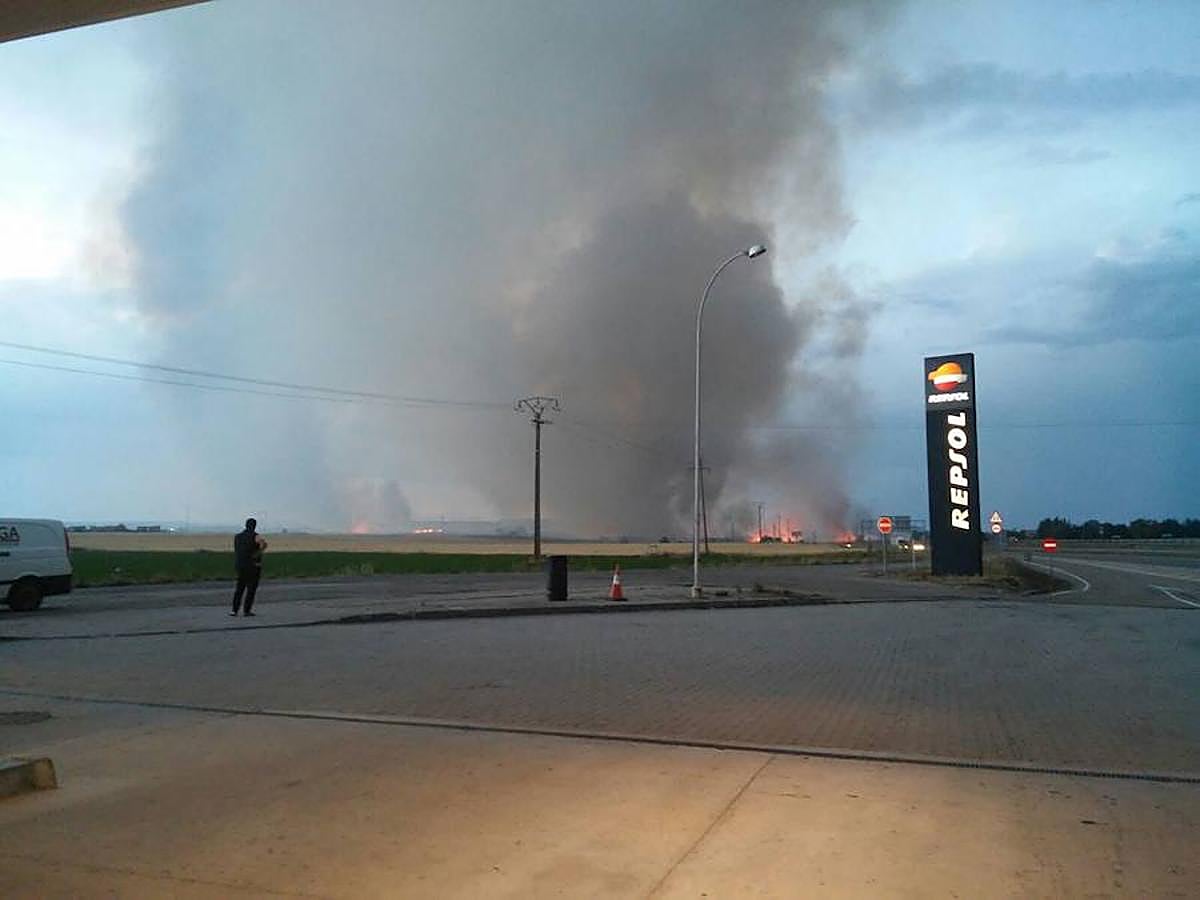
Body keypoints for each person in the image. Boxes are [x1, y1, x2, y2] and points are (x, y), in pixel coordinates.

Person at [231, 517, 267, 616]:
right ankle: (247, 610)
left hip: (240, 565)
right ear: (254, 526)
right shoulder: (256, 536)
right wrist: (258, 553)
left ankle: (234, 610)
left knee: (239, 589)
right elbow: (263, 545)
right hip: (253, 566)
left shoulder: (237, 537)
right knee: (251, 590)